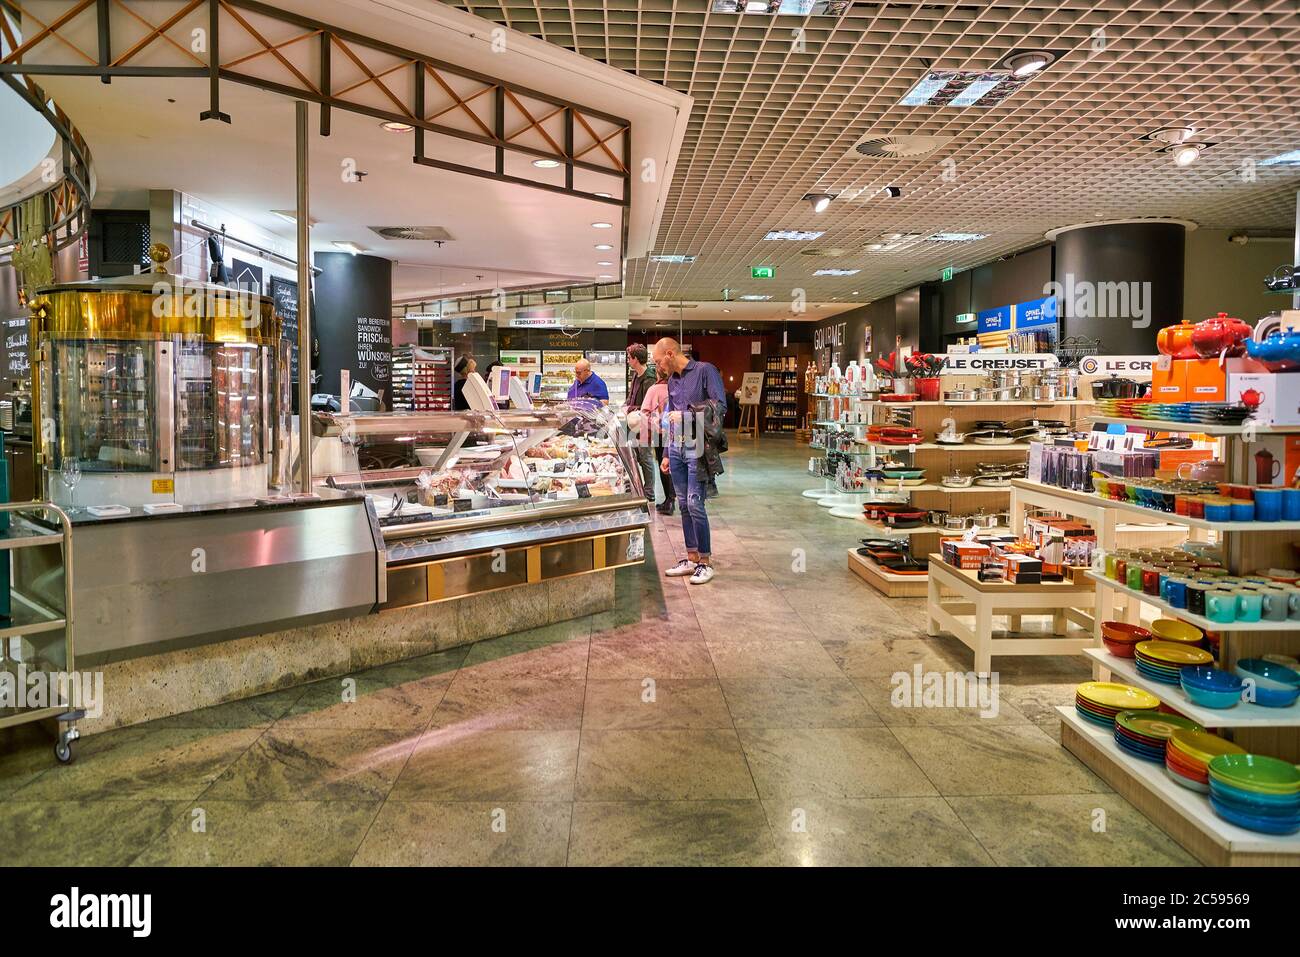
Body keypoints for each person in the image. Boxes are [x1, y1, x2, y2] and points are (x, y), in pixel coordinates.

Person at [652, 337, 725, 585]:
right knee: (683, 504)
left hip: (697, 447)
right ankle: (691, 557)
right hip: (676, 448)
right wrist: (665, 454)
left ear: (670, 354)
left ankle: (705, 561)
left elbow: (719, 407)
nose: (658, 367)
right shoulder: (672, 380)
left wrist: (684, 415)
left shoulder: (705, 371)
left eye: (659, 361)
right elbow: (668, 418)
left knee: (695, 503)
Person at [624, 343, 656, 505]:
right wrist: (624, 406)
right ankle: (642, 488)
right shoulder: (636, 375)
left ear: (636, 359)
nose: (628, 360)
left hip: (643, 424)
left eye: (629, 358)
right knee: (638, 456)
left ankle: (649, 491)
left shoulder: (649, 377)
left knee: (645, 456)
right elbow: (632, 397)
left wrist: (628, 408)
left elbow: (647, 405)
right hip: (633, 422)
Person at [642, 366, 675, 516]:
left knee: (663, 466)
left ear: (657, 374)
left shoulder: (653, 390)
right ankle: (673, 498)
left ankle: (669, 500)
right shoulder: (675, 387)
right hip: (677, 432)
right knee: (675, 465)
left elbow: (645, 412)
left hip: (661, 433)